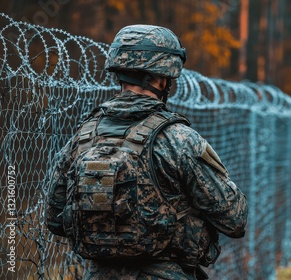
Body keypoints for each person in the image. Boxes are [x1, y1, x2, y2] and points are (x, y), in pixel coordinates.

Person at [45, 24, 248, 280]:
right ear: (163, 78)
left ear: (118, 70)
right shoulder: (179, 139)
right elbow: (235, 219)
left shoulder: (83, 138)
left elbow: (55, 219)